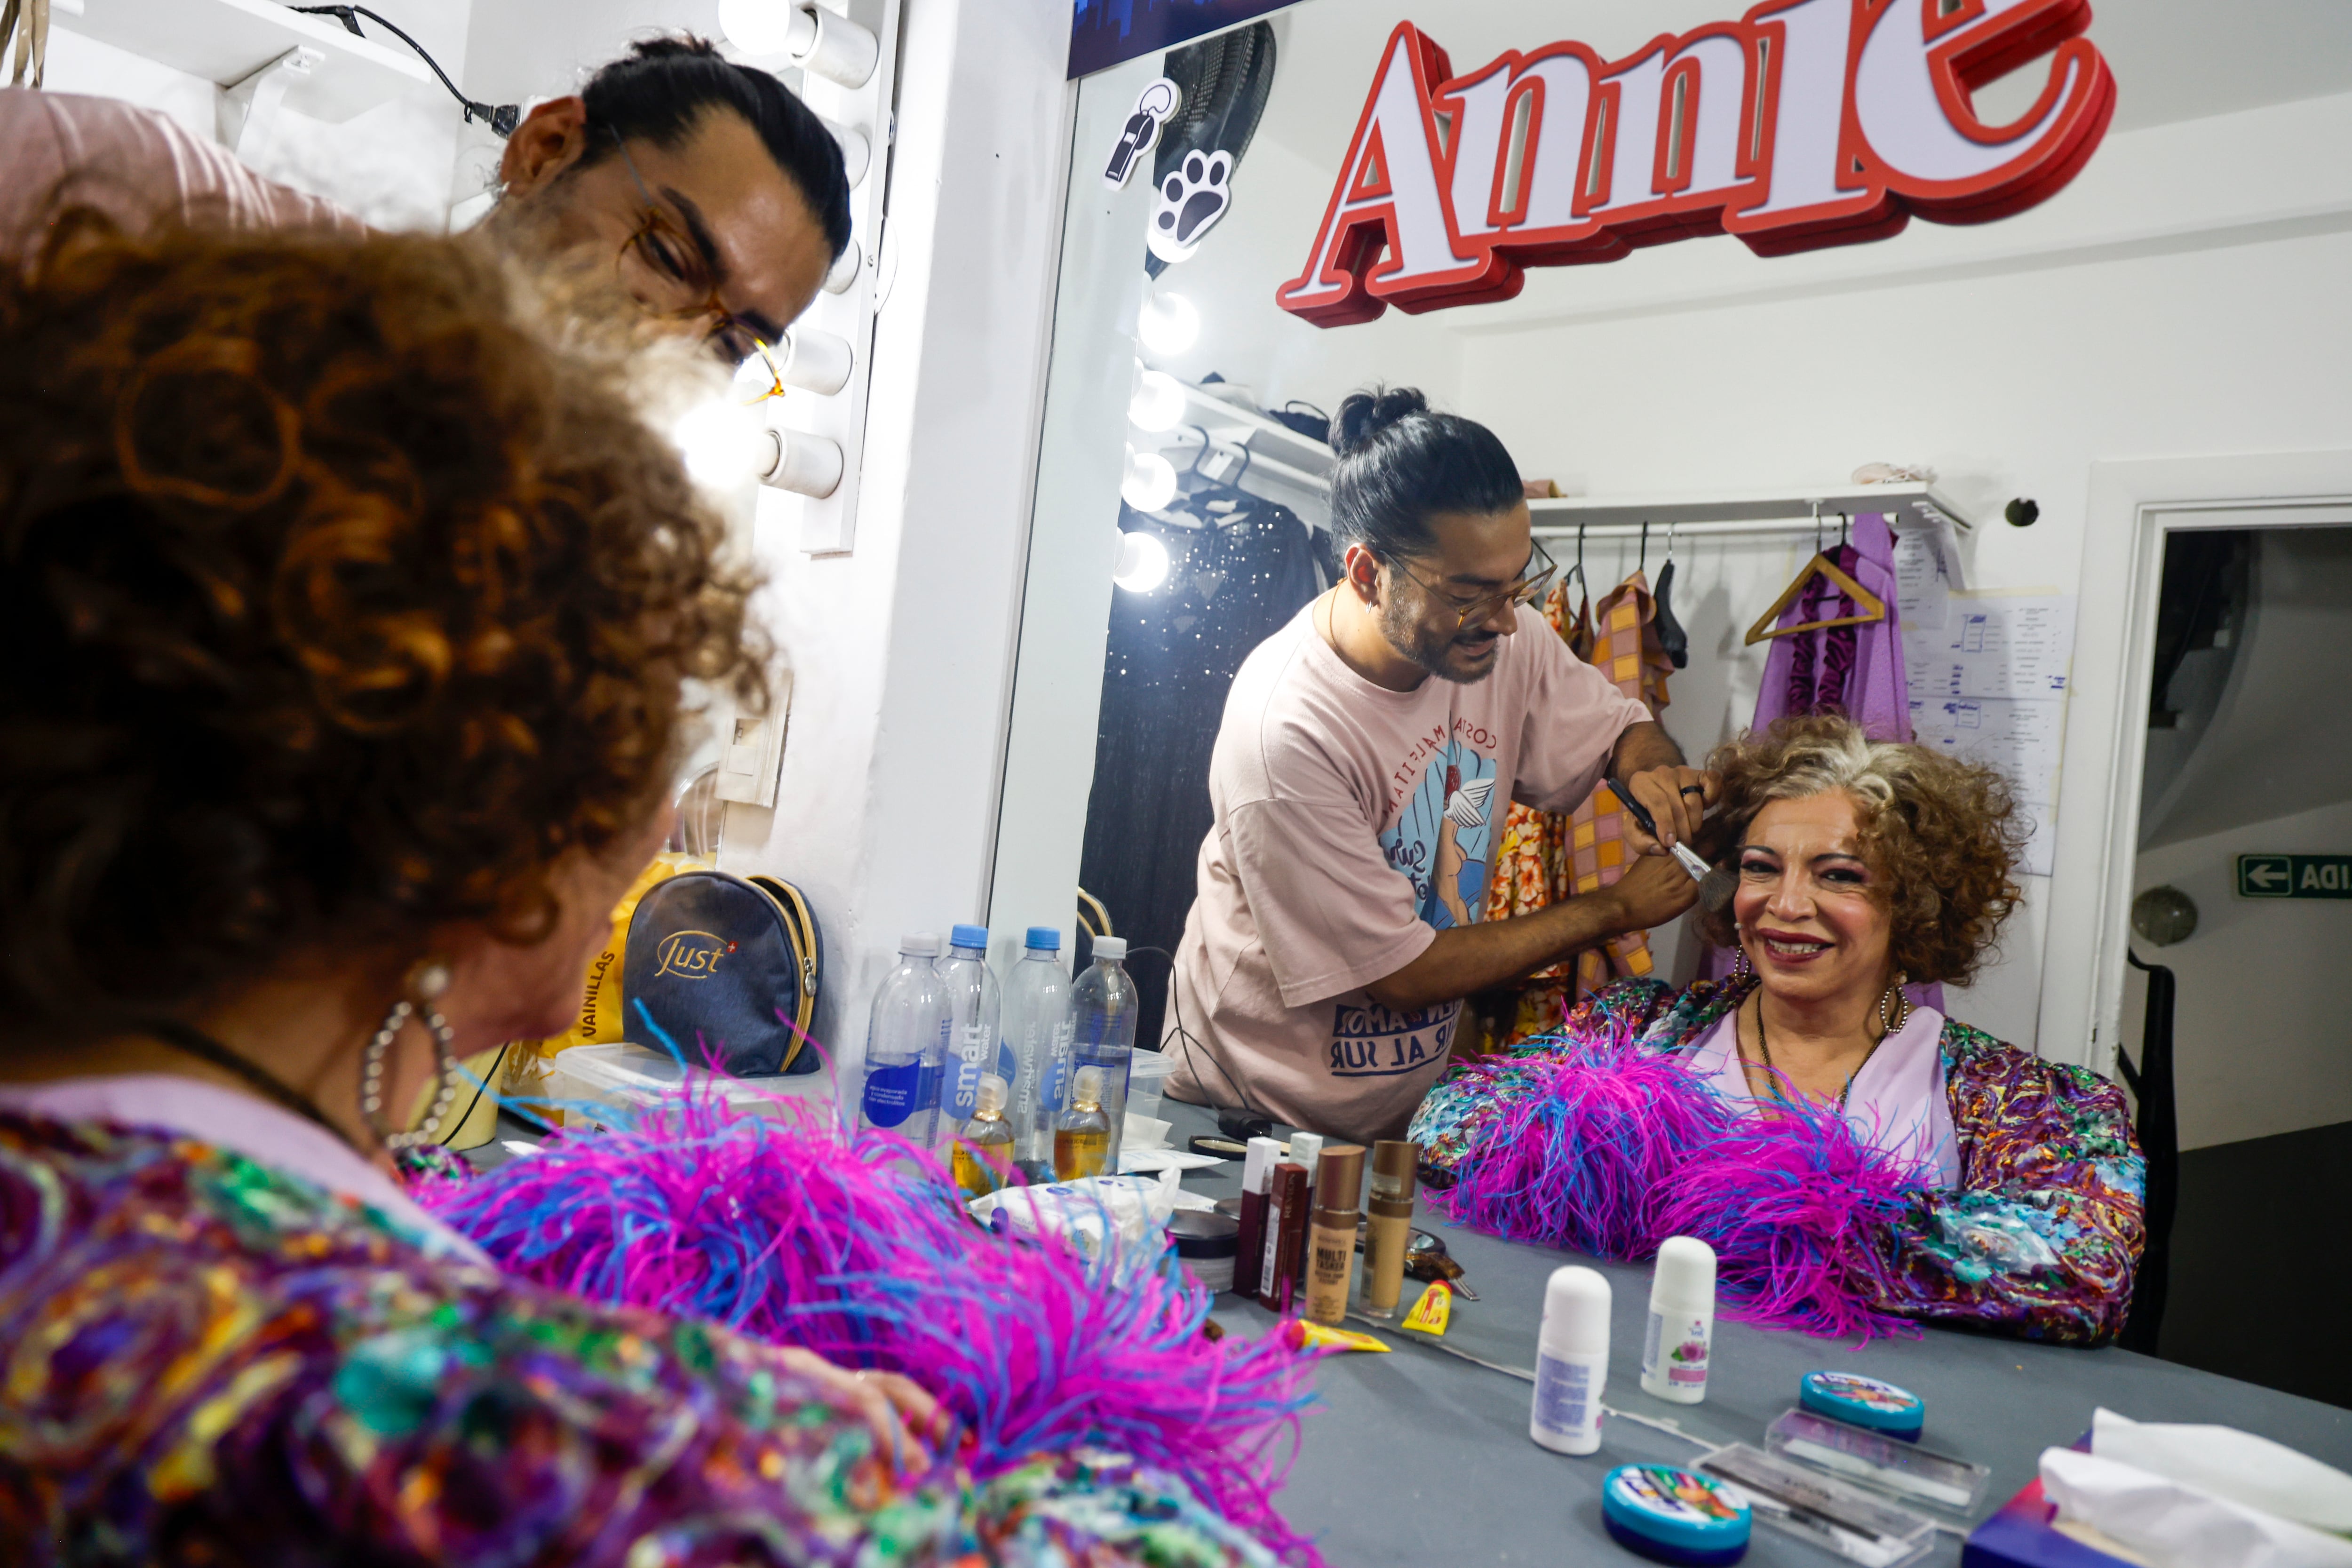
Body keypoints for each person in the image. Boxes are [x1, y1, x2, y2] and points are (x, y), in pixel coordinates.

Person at [0, 221, 1274, 1565]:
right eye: (649, 743)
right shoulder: (471, 1420)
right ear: (483, 809)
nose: (663, 821)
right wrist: (717, 1432)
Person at [1414, 716, 2146, 1344]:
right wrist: (1599, 1151)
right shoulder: (1637, 1025)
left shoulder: (2006, 1095)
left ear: (1916, 902)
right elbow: (1442, 1126)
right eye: (1761, 868)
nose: (1787, 904)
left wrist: (1786, 1205)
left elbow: (2087, 1266)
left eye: (1840, 875)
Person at [1163, 387, 1714, 1146]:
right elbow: (1403, 974)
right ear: (1367, 574)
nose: (1506, 618)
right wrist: (1616, 910)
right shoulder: (1288, 730)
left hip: (1396, 1118)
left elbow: (1623, 729)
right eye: (1470, 593)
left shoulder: (1502, 636)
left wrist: (1648, 770)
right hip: (1247, 1115)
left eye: (1518, 581)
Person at [0, 36, 848, 363]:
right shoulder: (141, 206)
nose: (674, 345)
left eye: (731, 345)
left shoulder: (526, 613)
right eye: (666, 256)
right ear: (545, 151)